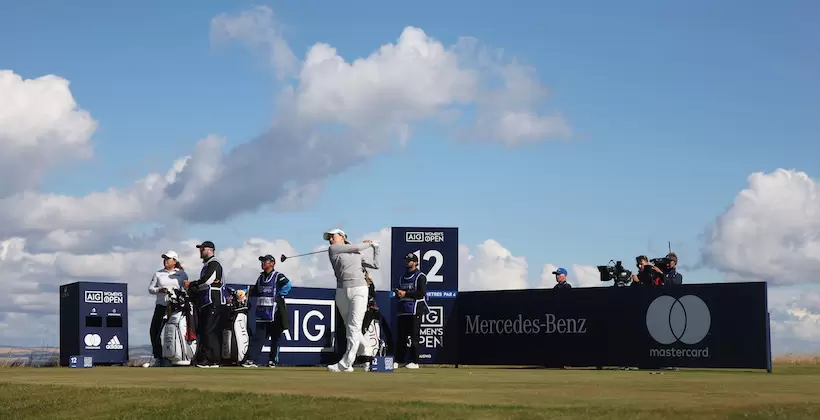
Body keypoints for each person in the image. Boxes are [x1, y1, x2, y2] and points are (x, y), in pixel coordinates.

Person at [323, 228, 380, 373]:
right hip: (342, 291)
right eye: (329, 237)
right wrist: (369, 244)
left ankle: (346, 362)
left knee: (354, 326)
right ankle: (366, 351)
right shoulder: (333, 249)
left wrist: (376, 248)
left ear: (342, 237)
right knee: (350, 327)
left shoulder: (357, 253)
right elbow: (356, 246)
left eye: (333, 236)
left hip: (359, 289)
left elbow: (375, 265)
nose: (330, 239)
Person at [243, 254, 292, 368]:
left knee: (275, 338)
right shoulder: (261, 278)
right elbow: (255, 290)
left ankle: (273, 360)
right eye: (262, 261)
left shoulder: (278, 276)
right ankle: (251, 360)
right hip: (262, 314)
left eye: (265, 261)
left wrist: (280, 295)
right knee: (258, 338)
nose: (263, 263)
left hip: (275, 313)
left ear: (272, 263)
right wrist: (245, 292)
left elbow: (288, 285)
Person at [183, 240, 226, 368]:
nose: (200, 251)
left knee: (209, 330)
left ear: (210, 250)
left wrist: (191, 284)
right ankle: (210, 359)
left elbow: (207, 280)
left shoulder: (214, 263)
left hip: (214, 301)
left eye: (202, 249)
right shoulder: (207, 264)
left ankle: (211, 359)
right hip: (207, 302)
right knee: (207, 331)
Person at [147, 251, 188, 367]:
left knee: (174, 332)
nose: (165, 261)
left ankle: (174, 356)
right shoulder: (158, 274)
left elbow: (185, 289)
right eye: (164, 259)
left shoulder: (182, 274)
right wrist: (159, 290)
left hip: (176, 307)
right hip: (161, 306)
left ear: (174, 261)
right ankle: (159, 357)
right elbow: (150, 289)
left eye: (168, 259)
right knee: (154, 331)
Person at [395, 252, 429, 369]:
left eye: (409, 261)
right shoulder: (402, 277)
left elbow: (421, 293)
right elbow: (399, 292)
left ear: (415, 263)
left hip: (415, 310)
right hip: (402, 310)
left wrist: (406, 293)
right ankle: (400, 360)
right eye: (406, 260)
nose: (407, 263)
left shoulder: (420, 276)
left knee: (414, 337)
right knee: (401, 337)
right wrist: (398, 293)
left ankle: (414, 361)